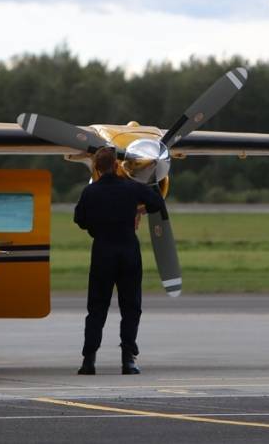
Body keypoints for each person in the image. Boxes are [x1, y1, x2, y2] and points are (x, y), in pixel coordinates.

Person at [73, 146, 168, 375]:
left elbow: (80, 219)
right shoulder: (132, 188)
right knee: (131, 307)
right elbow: (157, 203)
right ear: (117, 165)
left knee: (97, 308)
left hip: (102, 252)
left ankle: (89, 360)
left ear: (97, 167)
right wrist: (141, 204)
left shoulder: (90, 192)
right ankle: (128, 360)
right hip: (128, 252)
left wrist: (96, 227)